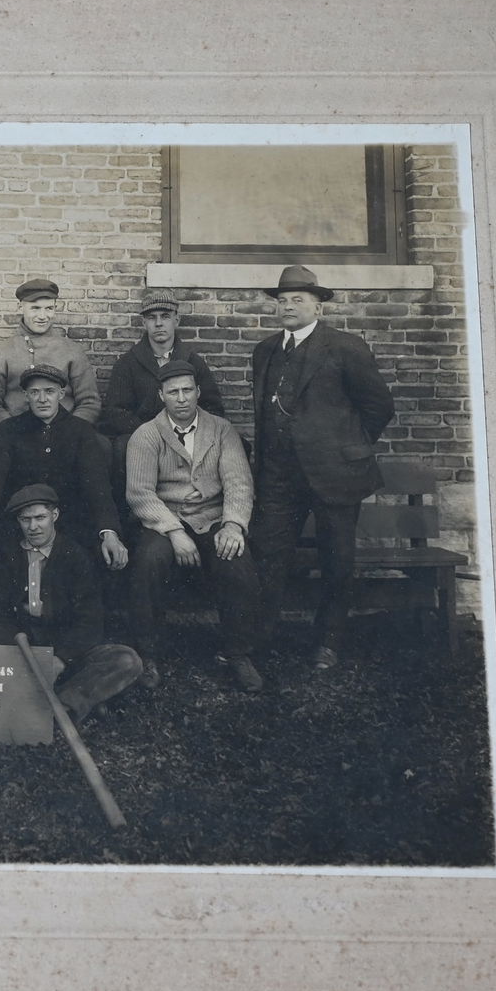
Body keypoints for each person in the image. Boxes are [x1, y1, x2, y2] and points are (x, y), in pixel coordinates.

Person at [247, 264, 395, 670]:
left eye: (298, 300)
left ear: (318, 306)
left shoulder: (345, 347)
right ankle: (258, 641)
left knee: (337, 560)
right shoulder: (265, 351)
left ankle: (328, 641)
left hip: (336, 475)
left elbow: (379, 406)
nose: (289, 307)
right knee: (268, 555)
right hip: (279, 476)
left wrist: (349, 447)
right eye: (283, 301)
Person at [125, 359, 265, 693]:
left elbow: (239, 484)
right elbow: (139, 493)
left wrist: (233, 525)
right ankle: (148, 655)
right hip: (163, 520)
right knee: (147, 562)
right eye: (173, 392)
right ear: (161, 395)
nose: (182, 398)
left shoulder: (221, 429)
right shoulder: (145, 435)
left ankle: (238, 653)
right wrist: (174, 532)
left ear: (199, 392)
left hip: (212, 517)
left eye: (188, 390)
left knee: (238, 562)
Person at [0, 485, 142, 725]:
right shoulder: (8, 555)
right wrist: (18, 652)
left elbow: (90, 620)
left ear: (54, 516)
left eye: (40, 518)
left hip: (66, 650)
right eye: (25, 520)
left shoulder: (75, 556)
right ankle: (56, 700)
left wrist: (61, 659)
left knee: (126, 660)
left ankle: (63, 706)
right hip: (23, 650)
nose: (33, 527)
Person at [0, 366, 128, 570]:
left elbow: (98, 489)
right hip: (21, 524)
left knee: (97, 560)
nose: (42, 399)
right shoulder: (8, 431)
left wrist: (110, 533)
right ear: (26, 396)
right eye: (35, 392)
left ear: (61, 394)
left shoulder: (81, 431)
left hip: (70, 524)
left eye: (49, 391)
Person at [99, 289, 226, 463]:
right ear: (144, 322)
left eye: (165, 316)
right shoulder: (128, 363)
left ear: (176, 320)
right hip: (144, 436)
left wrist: (183, 430)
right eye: (152, 317)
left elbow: (213, 409)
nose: (158, 323)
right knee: (123, 446)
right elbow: (115, 412)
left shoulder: (193, 362)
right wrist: (153, 432)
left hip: (186, 433)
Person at [0, 278, 101, 429]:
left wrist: (69, 430)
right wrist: (10, 430)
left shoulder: (72, 350)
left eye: (49, 308)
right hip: (15, 432)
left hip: (63, 432)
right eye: (35, 308)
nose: (43, 316)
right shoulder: (2, 350)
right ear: (21, 307)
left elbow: (89, 402)